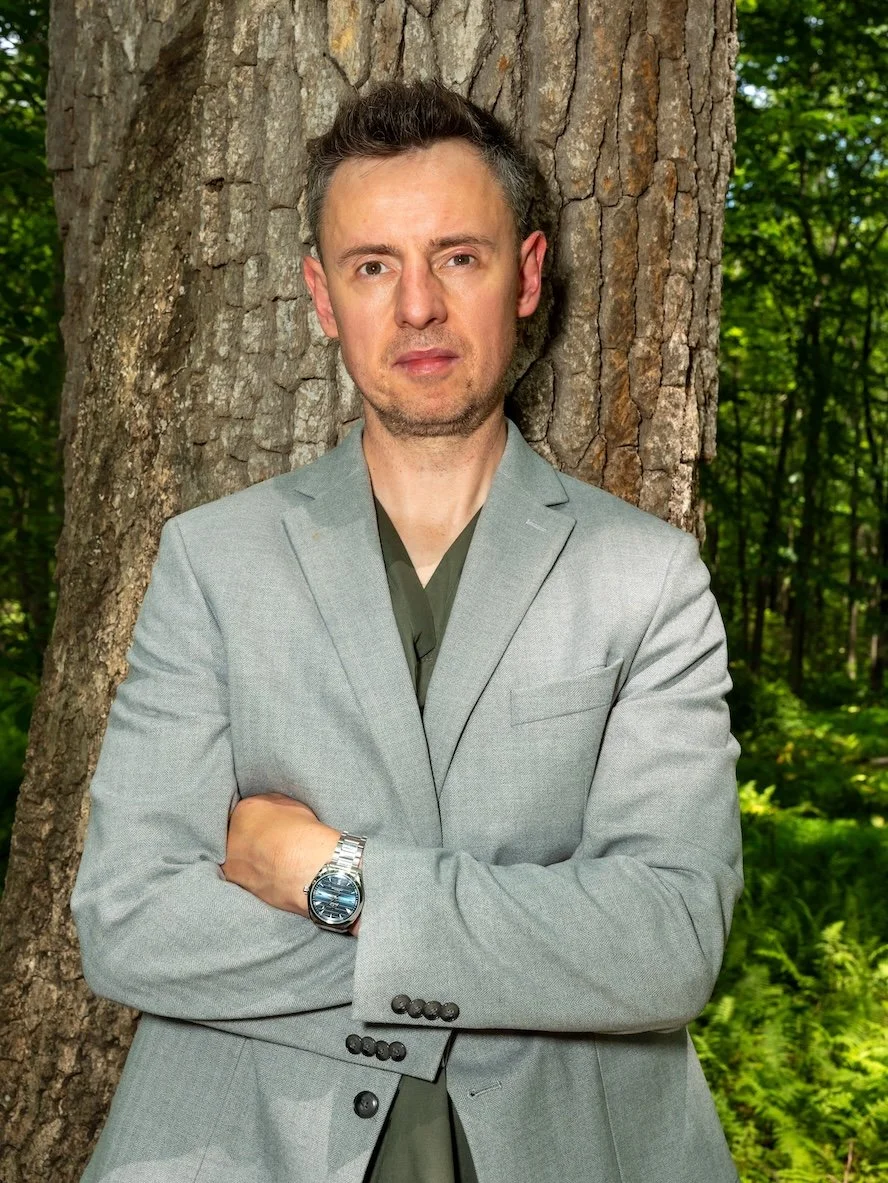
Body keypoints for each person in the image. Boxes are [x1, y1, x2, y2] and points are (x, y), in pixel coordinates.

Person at [71, 80, 743, 1183]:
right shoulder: (214, 560)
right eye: (373, 265)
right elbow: (132, 919)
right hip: (243, 1145)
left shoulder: (646, 576)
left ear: (526, 277)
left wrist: (334, 876)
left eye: (459, 258)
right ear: (323, 297)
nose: (418, 306)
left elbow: (665, 943)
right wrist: (524, 956)